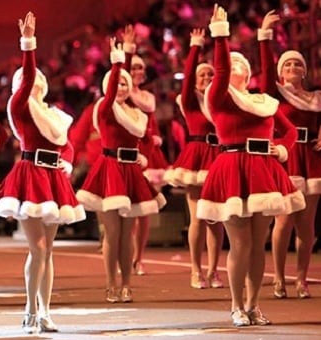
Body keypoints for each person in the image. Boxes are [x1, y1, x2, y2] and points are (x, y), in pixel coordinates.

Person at [197, 5, 305, 327]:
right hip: (232, 169)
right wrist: (221, 35)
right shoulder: (219, 97)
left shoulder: (262, 101)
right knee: (240, 242)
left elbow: (290, 132)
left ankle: (254, 303)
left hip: (263, 170)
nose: (232, 69)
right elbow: (219, 71)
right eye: (229, 66)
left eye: (238, 66)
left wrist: (282, 151)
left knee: (258, 244)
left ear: (247, 74)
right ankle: (235, 305)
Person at [0, 12, 86, 333]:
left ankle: (45, 310)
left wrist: (66, 164)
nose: (33, 84)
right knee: (38, 248)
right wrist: (28, 43)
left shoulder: (53, 115)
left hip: (53, 176)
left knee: (49, 249)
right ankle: (30, 310)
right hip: (30, 176)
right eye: (29, 81)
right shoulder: (19, 107)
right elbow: (26, 79)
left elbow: (67, 144)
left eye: (38, 82)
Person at [76, 38, 166, 304]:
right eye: (119, 82)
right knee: (112, 233)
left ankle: (126, 284)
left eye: (127, 83)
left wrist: (145, 158)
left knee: (128, 234)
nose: (124, 86)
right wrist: (117, 62)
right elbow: (114, 84)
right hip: (109, 169)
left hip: (131, 171)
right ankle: (110, 284)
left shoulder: (138, 113)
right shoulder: (104, 108)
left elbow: (148, 140)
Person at [258, 11, 321, 300]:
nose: (293, 67)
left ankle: (302, 279)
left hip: (312, 161)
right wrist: (265, 35)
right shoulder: (275, 94)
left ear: (305, 71)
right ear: (281, 72)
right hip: (286, 157)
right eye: (287, 63)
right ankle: (279, 277)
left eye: (297, 63)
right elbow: (266, 72)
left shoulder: (317, 97)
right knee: (284, 221)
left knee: (307, 225)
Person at [163, 28, 224, 289]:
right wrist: (196, 46)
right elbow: (187, 79)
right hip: (197, 155)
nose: (207, 78)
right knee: (198, 216)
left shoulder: (221, 102)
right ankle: (195, 270)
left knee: (216, 218)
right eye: (203, 74)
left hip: (218, 157)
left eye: (211, 74)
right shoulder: (188, 101)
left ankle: (213, 270)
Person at [121, 25, 169, 276]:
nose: (138, 71)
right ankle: (126, 255)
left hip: (150, 153)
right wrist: (129, 50)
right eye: (133, 68)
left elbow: (153, 123)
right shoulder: (125, 94)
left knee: (145, 211)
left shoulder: (148, 97)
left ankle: (139, 258)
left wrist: (157, 135)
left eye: (141, 67)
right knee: (129, 208)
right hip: (132, 150)